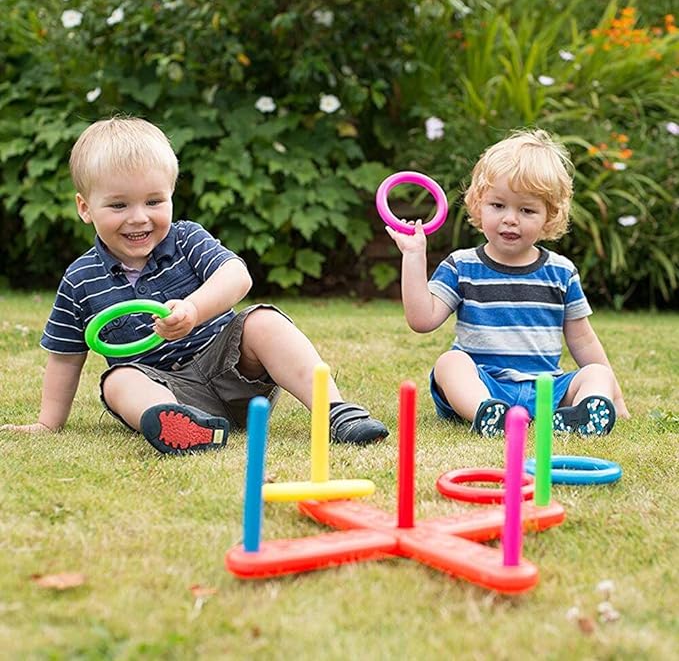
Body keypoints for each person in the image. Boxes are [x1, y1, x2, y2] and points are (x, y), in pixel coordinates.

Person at [1, 117, 388, 453]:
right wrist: (48, 423)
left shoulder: (186, 238)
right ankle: (184, 426)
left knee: (264, 322)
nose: (139, 218)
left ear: (171, 196)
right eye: (119, 206)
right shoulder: (81, 279)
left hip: (232, 373)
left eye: (154, 201)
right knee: (118, 380)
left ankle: (337, 412)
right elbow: (65, 357)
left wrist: (194, 308)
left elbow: (238, 276)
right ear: (85, 208)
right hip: (164, 388)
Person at [386, 129, 629, 437]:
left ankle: (582, 416)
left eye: (526, 210)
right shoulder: (462, 266)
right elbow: (421, 320)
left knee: (596, 373)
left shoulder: (561, 272)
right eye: (498, 205)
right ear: (478, 204)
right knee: (450, 363)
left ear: (549, 216)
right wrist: (413, 256)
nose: (510, 219)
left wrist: (615, 396)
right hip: (482, 383)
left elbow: (583, 341)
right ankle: (488, 415)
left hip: (546, 390)